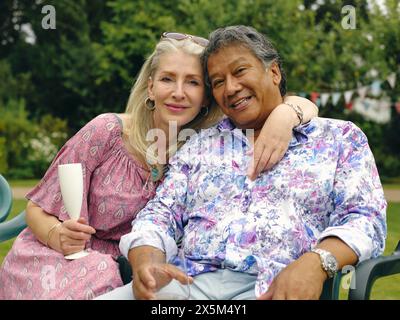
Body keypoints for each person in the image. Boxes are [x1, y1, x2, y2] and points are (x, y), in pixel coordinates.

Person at [0, 31, 318, 300]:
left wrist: (285, 116)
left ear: (207, 96)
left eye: (192, 82)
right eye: (168, 79)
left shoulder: (204, 146)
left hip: (130, 267)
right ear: (151, 87)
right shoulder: (107, 132)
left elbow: (297, 103)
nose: (178, 93)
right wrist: (57, 234)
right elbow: (36, 208)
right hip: (56, 256)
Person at [96, 26, 387, 300]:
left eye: (240, 71)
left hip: (272, 286)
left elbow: (365, 218)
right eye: (218, 82)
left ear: (273, 72)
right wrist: (148, 261)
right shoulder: (200, 144)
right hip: (185, 285)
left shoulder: (339, 137)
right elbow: (160, 213)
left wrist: (316, 263)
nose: (231, 88)